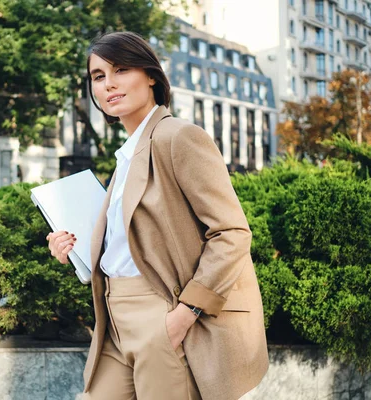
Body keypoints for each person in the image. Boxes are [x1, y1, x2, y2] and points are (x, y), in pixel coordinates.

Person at [46, 31, 268, 400]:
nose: (109, 84)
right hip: (113, 320)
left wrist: (184, 314)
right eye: (99, 76)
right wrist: (76, 252)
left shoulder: (178, 137)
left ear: (151, 75)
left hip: (161, 314)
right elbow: (130, 245)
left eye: (121, 69)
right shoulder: (126, 155)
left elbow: (231, 233)